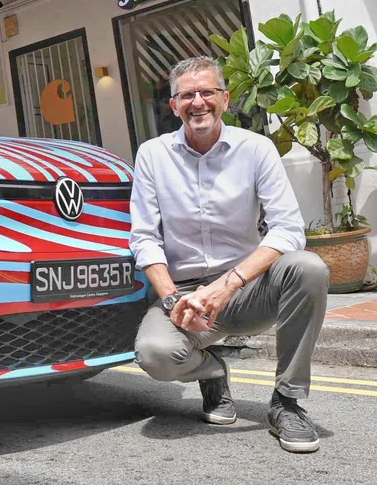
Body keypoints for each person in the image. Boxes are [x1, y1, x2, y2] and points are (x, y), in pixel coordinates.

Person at [129, 56, 329, 453]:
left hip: (247, 287)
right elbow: (144, 237)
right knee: (155, 355)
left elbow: (288, 229)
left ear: (225, 99)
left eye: (207, 92)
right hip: (184, 294)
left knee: (309, 268)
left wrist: (228, 284)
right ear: (173, 105)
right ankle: (213, 371)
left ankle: (287, 401)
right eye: (187, 94)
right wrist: (171, 297)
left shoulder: (256, 148)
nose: (197, 102)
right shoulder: (152, 154)